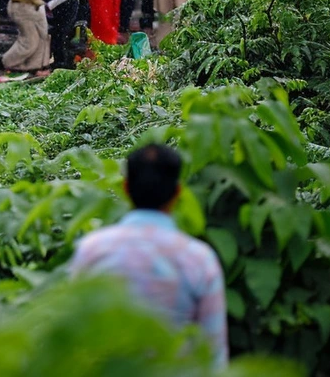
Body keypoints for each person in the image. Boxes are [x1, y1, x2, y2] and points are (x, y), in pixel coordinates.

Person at [68, 144, 228, 369]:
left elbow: (74, 336)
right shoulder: (199, 259)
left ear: (125, 188)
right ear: (177, 193)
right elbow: (213, 355)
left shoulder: (91, 250)